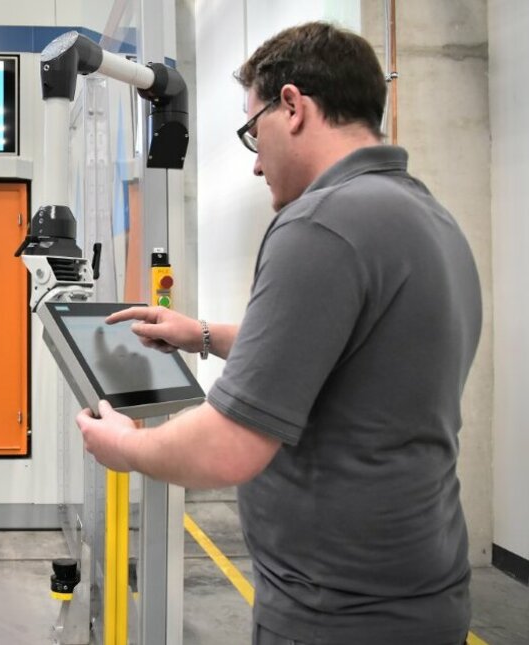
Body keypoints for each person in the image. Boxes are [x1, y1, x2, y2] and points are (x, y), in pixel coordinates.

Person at [75, 21, 481, 645]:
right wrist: (201, 334)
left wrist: (122, 447)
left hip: (337, 613)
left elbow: (226, 449)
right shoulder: (427, 217)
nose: (257, 160)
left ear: (292, 107)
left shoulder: (321, 223)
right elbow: (350, 355)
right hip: (420, 593)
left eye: (251, 130)